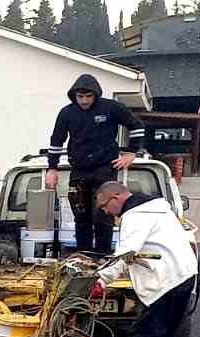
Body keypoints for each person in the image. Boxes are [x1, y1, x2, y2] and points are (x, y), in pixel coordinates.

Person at [92, 181, 197, 337]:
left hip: (165, 281)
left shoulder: (135, 216)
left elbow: (126, 252)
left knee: (146, 333)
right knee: (165, 335)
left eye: (103, 206)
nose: (104, 211)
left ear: (116, 197)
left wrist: (101, 280)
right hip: (184, 275)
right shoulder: (158, 208)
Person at [46, 74, 149, 255]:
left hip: (105, 171)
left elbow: (137, 126)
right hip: (78, 170)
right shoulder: (67, 113)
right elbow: (56, 141)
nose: (84, 101)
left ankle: (102, 255)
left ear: (95, 95)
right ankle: (84, 256)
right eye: (80, 97)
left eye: (88, 96)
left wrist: (132, 153)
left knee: (103, 216)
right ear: (74, 95)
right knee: (81, 217)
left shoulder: (111, 108)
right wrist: (52, 168)